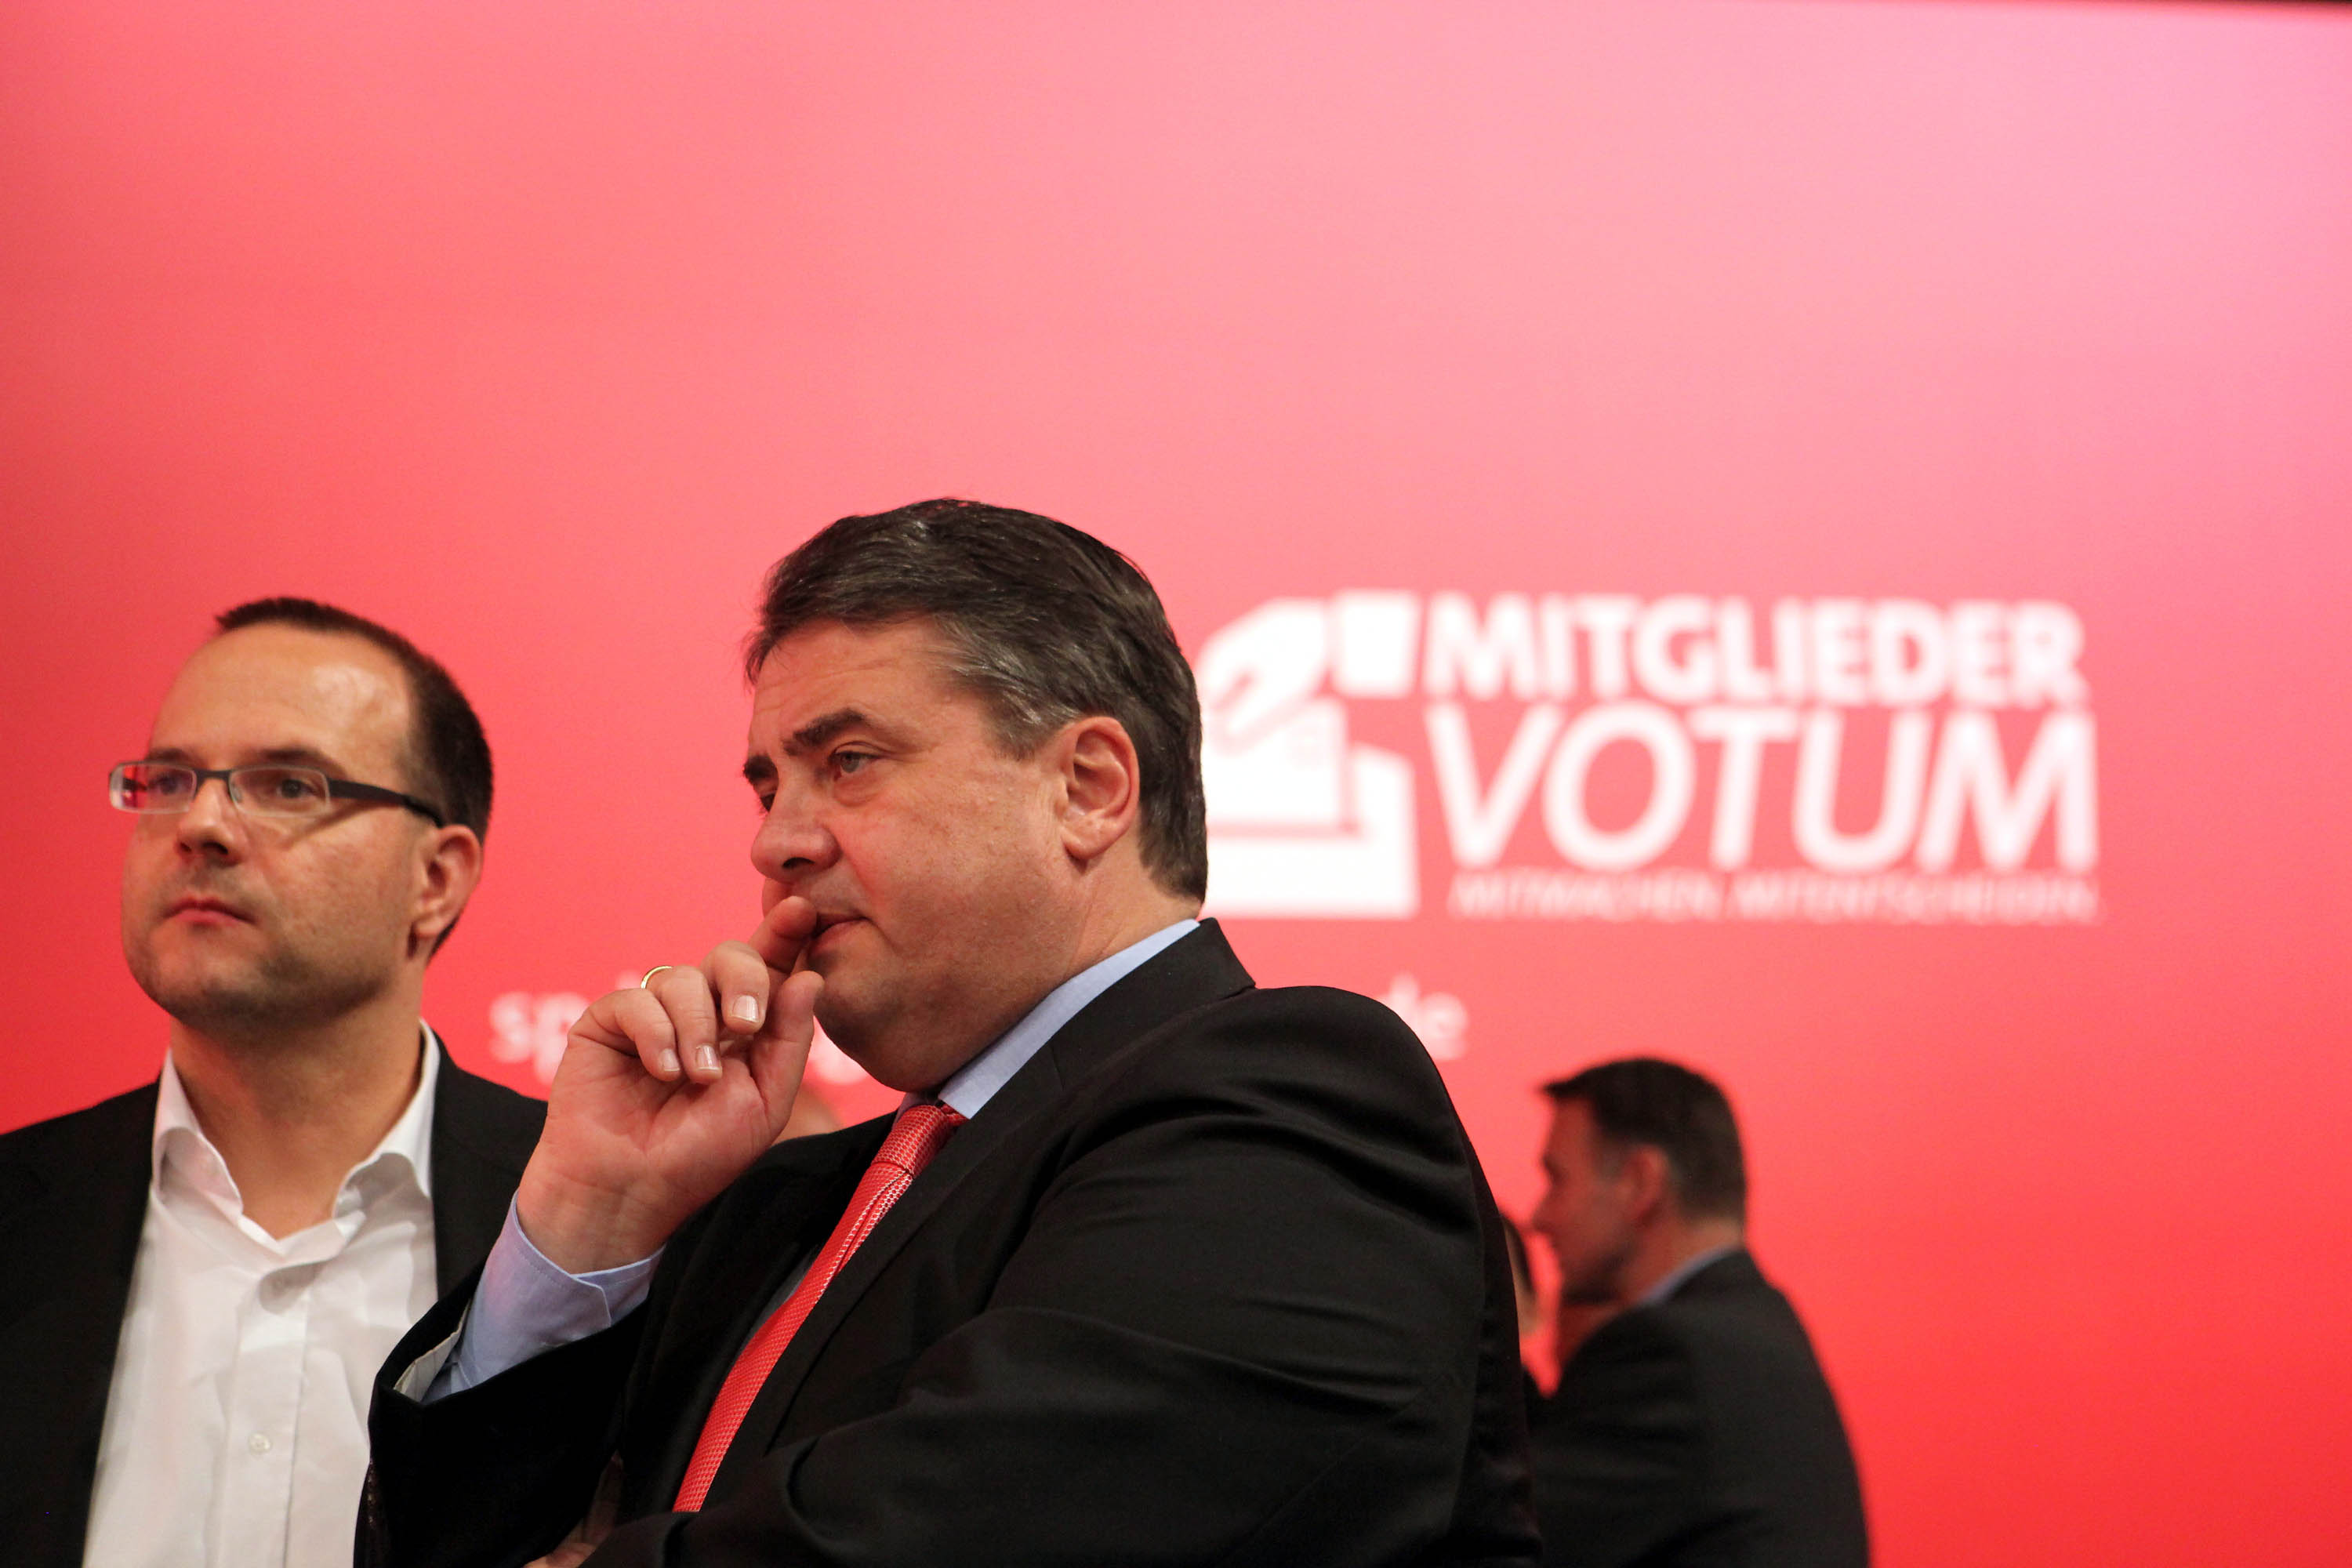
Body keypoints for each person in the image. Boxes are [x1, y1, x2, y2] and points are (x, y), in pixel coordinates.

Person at [361, 499, 1538, 1568]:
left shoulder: (1294, 1099)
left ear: (1087, 787)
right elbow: (443, 1547)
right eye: (769, 787)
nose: (776, 840)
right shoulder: (774, 1202)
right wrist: (591, 1222)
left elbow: (982, 1528)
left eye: (849, 763)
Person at [0, 599, 546, 1568]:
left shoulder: (581, 1231)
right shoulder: (23, 1216)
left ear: (435, 878)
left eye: (290, 785)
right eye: (171, 779)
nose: (202, 824)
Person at [1525, 1058, 1867, 1568]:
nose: (1539, 1218)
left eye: (1557, 1180)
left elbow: (1515, 1538)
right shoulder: (1750, 1327)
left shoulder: (1671, 1353)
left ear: (1640, 1182)